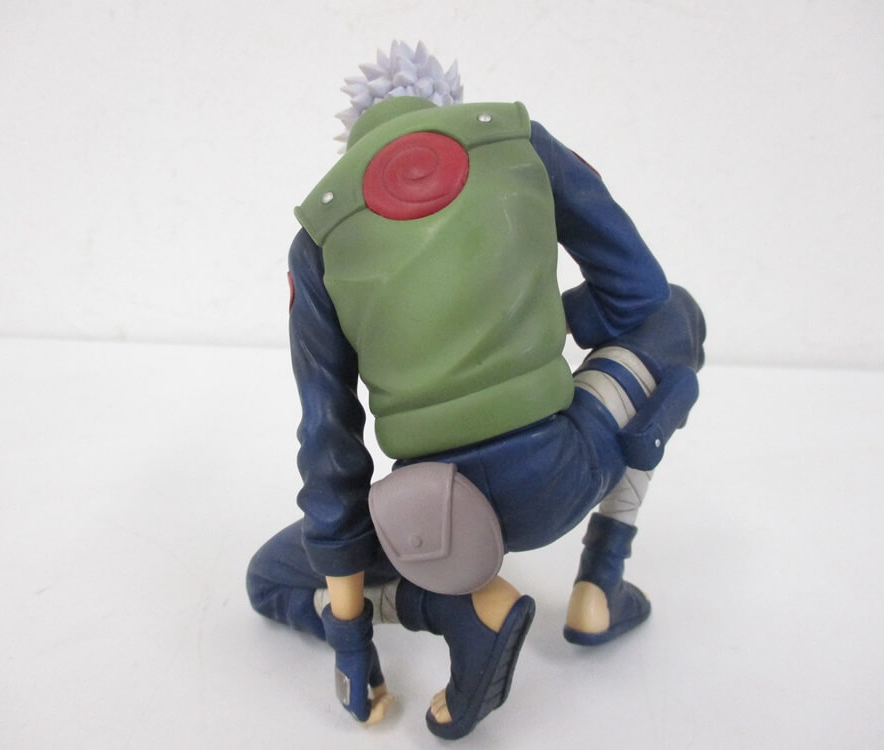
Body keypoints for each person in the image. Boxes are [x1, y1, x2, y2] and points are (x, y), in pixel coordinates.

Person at [246, 41, 706, 740]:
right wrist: (541, 324)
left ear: (353, 140)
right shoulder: (518, 141)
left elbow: (328, 444)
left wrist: (350, 645)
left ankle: (454, 608)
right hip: (564, 469)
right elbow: (639, 292)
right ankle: (599, 585)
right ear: (447, 102)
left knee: (270, 578)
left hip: (430, 525)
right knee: (678, 314)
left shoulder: (316, 237)